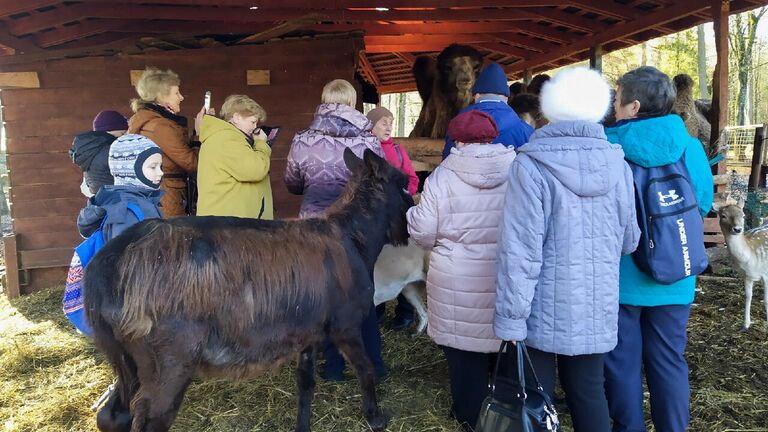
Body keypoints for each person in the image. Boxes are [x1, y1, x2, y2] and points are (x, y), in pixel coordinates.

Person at [493, 67, 640, 432]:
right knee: (590, 393)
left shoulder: (530, 165)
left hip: (541, 306)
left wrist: (510, 317)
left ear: (551, 106)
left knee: (538, 399)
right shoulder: (617, 164)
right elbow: (629, 241)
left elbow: (519, 249)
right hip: (596, 302)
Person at [603, 66, 714, 432]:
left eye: (617, 99)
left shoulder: (608, 146)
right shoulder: (690, 146)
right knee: (669, 360)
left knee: (621, 363)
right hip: (675, 270)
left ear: (633, 106)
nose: (614, 106)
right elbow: (701, 203)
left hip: (621, 275)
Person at [408, 110, 515, 431]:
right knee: (503, 348)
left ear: (456, 139)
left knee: (464, 356)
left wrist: (413, 213)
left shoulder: (442, 176)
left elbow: (423, 233)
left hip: (457, 280)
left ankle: (470, 417)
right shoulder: (518, 170)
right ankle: (505, 414)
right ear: (493, 135)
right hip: (506, 276)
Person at [284, 78, 386, 381]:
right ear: (353, 102)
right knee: (361, 291)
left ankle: (332, 367)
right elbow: (377, 183)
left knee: (321, 295)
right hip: (357, 229)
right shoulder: (368, 139)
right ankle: (373, 364)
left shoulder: (303, 139)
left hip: (315, 228)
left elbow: (293, 183)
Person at [366, 106, 419, 330]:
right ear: (371, 126)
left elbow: (413, 179)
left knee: (401, 260)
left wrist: (400, 193)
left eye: (391, 121)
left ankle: (405, 312)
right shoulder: (364, 149)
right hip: (374, 219)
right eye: (383, 122)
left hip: (397, 218)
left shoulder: (398, 150)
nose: (388, 126)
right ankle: (375, 310)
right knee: (375, 261)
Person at [128, 67, 199, 217]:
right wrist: (199, 134)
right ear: (161, 97)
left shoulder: (147, 120)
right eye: (176, 93)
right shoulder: (160, 127)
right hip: (168, 196)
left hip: (161, 193)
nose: (181, 97)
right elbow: (192, 162)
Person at [197, 95, 273, 219]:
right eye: (252, 122)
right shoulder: (228, 139)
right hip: (228, 225)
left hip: (226, 221)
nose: (255, 127)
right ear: (237, 117)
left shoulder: (225, 137)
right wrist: (261, 144)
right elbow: (256, 170)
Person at [442, 62, 533, 160]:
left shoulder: (457, 125)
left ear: (476, 96)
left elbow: (447, 160)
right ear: (506, 98)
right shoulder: (526, 131)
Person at [70, 110, 129, 197]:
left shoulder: (90, 148)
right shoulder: (111, 149)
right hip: (117, 199)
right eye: (122, 133)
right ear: (111, 130)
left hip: (98, 199)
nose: (124, 136)